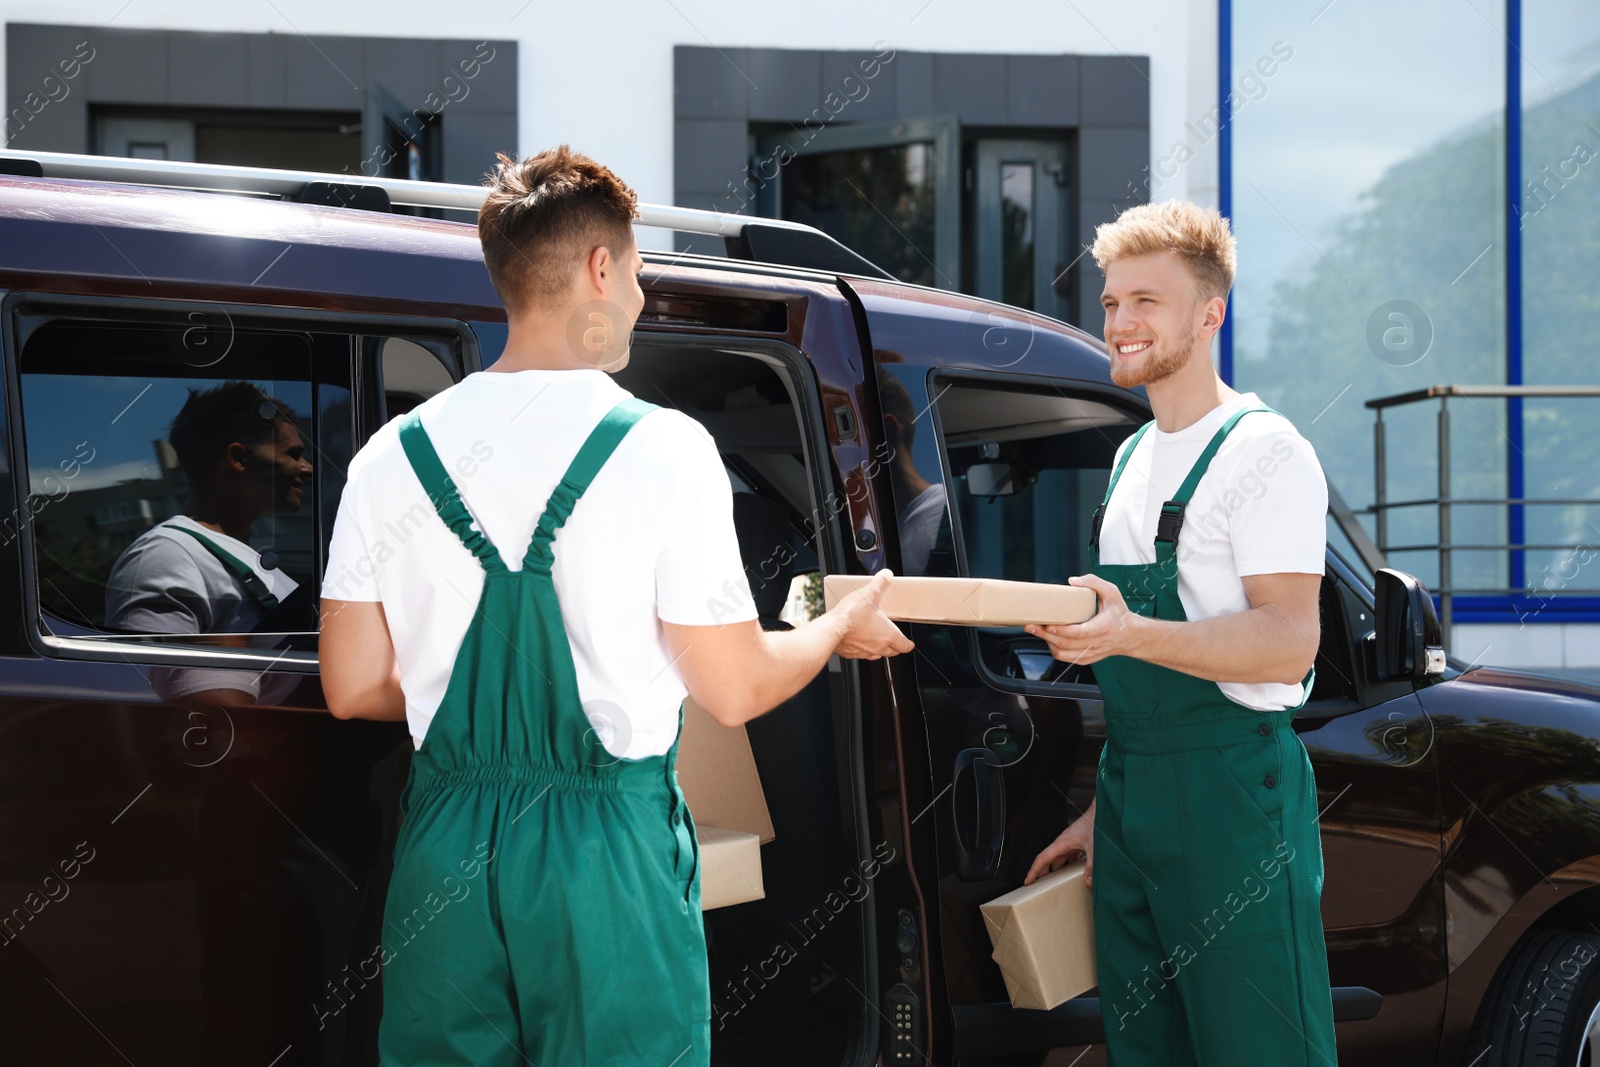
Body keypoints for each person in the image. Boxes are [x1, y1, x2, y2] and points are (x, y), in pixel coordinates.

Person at [318, 145, 912, 1067]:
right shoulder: (661, 448)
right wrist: (834, 625)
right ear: (600, 267)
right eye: (637, 271)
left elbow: (353, 686)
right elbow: (734, 688)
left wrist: (460, 692)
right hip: (602, 858)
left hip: (443, 849)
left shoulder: (390, 455)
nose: (638, 296)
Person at [1022, 200, 1337, 1065]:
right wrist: (1105, 810)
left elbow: (1286, 640)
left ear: (1210, 314)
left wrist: (1125, 634)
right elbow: (1153, 646)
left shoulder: (1263, 452)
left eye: (1145, 303)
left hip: (1233, 792)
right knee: (1147, 1046)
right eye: (1113, 302)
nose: (1119, 323)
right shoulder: (1131, 458)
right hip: (1136, 791)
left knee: (1259, 1045)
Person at [105, 379, 314, 705]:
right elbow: (199, 724)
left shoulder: (247, 560)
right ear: (238, 458)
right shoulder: (167, 555)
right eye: (294, 454)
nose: (308, 468)